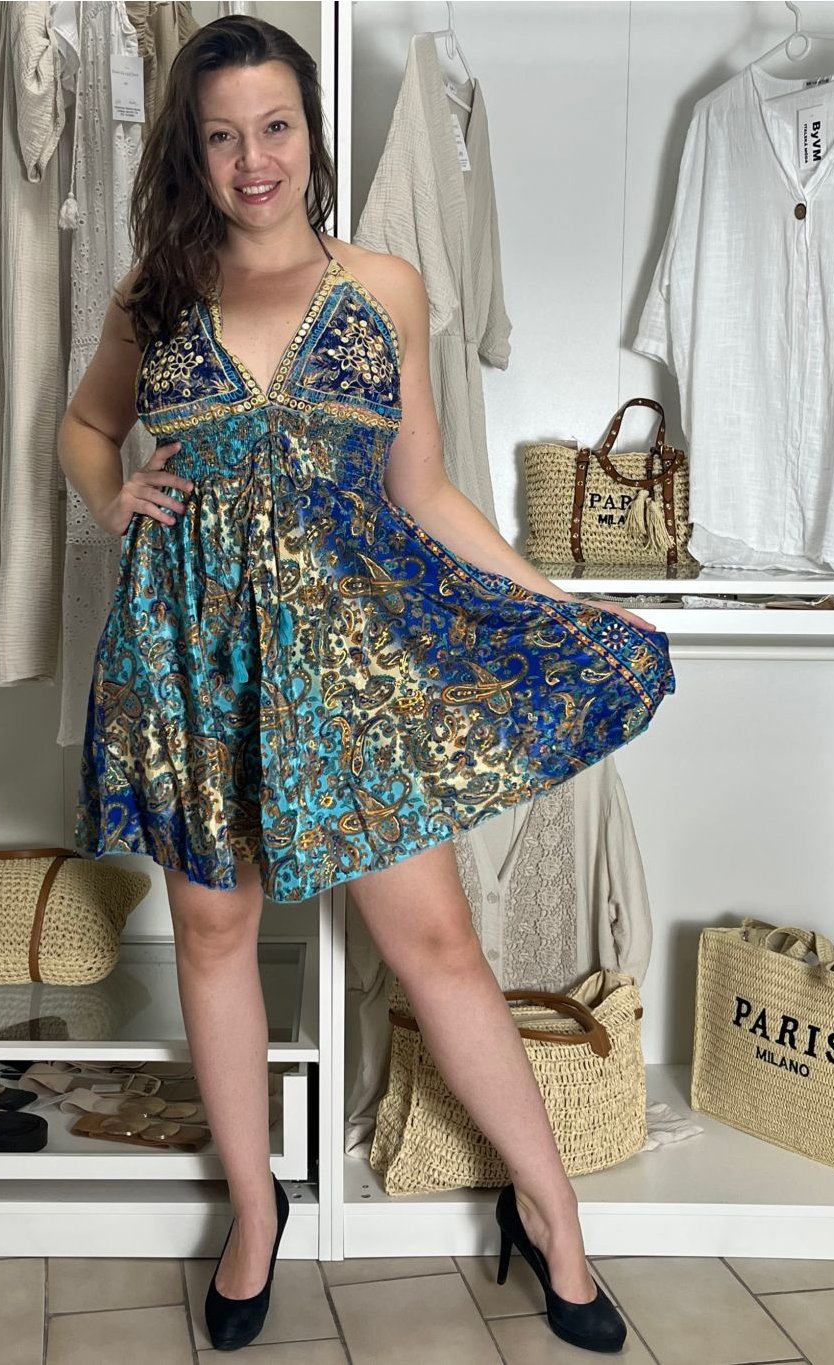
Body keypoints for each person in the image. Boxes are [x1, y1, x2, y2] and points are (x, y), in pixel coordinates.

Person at [59, 14, 674, 1354]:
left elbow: (426, 491)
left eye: (275, 126)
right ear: (190, 152)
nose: (253, 159)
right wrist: (113, 499)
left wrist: (556, 602)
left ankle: (553, 1216)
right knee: (215, 935)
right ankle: (255, 1208)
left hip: (355, 671)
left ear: (311, 134)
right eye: (222, 135)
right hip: (194, 658)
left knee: (439, 947)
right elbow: (88, 424)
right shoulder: (154, 294)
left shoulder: (383, 287)